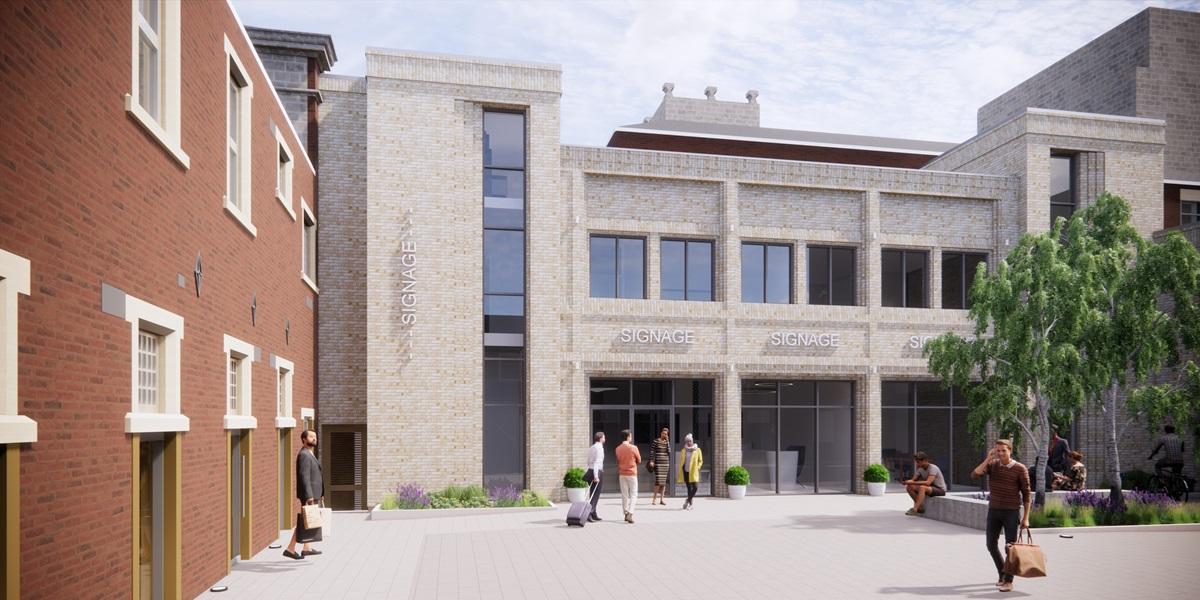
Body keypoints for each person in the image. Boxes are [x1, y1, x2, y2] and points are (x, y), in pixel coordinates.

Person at [971, 439, 1031, 593]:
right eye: (998, 451)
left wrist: (1026, 518)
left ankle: (1009, 581)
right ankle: (1002, 574)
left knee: (1009, 547)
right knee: (990, 545)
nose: (1001, 453)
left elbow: (1026, 495)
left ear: (1010, 450)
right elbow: (974, 475)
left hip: (1011, 512)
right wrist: (988, 459)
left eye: (1004, 450)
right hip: (994, 511)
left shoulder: (1020, 468)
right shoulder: (992, 465)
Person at [284, 429, 323, 560]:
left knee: (308, 520)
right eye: (311, 437)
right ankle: (290, 548)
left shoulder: (310, 453)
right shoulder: (304, 455)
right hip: (309, 495)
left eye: (315, 436)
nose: (314, 439)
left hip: (313, 493)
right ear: (304, 439)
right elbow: (304, 477)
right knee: (304, 521)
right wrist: (309, 496)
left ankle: (306, 548)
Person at [902, 451, 946, 515]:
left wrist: (914, 482)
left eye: (918, 462)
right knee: (909, 487)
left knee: (922, 487)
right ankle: (920, 507)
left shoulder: (933, 468)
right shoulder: (920, 469)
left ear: (925, 460)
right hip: (930, 488)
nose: (917, 464)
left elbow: (928, 482)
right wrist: (907, 482)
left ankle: (915, 509)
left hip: (939, 489)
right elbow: (913, 480)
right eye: (916, 462)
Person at [614, 429, 641, 523]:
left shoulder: (617, 448)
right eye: (631, 435)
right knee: (634, 494)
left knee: (624, 494)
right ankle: (630, 512)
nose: (631, 437)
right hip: (632, 473)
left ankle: (625, 512)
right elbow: (639, 460)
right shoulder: (634, 448)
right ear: (628, 437)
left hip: (622, 473)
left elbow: (618, 459)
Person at [677, 433, 703, 510]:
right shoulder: (683, 450)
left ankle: (687, 500)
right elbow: (682, 461)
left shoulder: (697, 450)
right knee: (689, 488)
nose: (689, 442)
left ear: (692, 441)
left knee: (695, 487)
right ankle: (690, 504)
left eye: (690, 441)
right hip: (686, 471)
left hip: (694, 472)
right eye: (687, 441)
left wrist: (698, 467)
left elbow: (700, 461)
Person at [585, 432, 605, 522]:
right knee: (595, 495)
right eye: (604, 437)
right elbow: (597, 462)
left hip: (590, 470)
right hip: (596, 472)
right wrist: (596, 476)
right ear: (601, 438)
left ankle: (594, 513)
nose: (605, 438)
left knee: (592, 493)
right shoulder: (599, 448)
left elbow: (589, 461)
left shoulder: (592, 447)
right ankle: (589, 514)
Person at [649, 426, 671, 506]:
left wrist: (668, 441)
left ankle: (662, 499)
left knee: (663, 483)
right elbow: (652, 451)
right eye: (663, 433)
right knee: (658, 482)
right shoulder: (656, 441)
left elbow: (669, 452)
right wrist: (651, 460)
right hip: (658, 463)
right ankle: (654, 500)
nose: (664, 435)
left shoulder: (666, 442)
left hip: (665, 463)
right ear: (661, 433)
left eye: (666, 434)